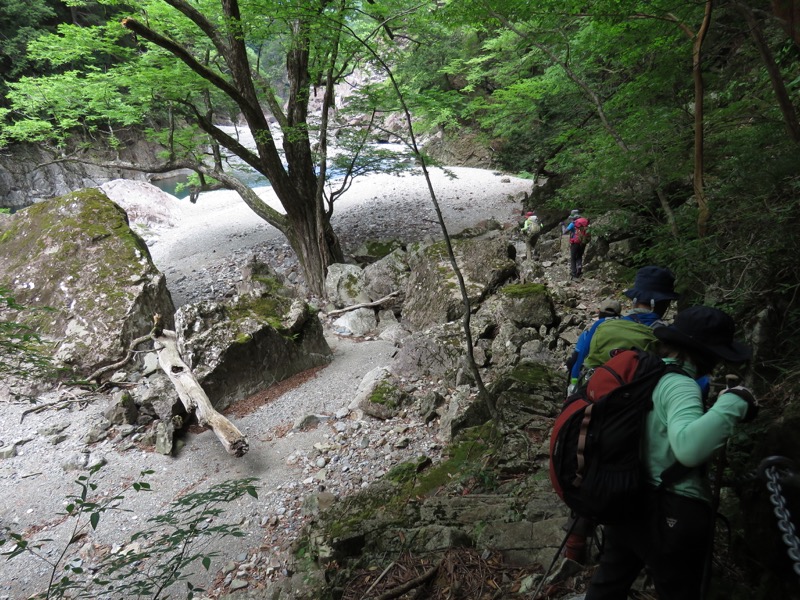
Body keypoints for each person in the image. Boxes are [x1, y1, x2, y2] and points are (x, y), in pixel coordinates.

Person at [585, 305, 756, 600]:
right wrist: (736, 403)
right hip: (671, 508)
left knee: (607, 587)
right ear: (710, 353)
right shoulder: (680, 385)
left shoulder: (642, 376)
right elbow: (688, 450)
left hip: (625, 497)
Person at [584, 265, 680, 371]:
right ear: (664, 301)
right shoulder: (670, 336)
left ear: (634, 299)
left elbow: (582, 360)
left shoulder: (601, 325)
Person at [566, 298, 621, 394]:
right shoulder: (627, 324)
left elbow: (581, 355)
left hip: (597, 374)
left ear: (600, 312)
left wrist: (574, 380)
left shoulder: (596, 327)